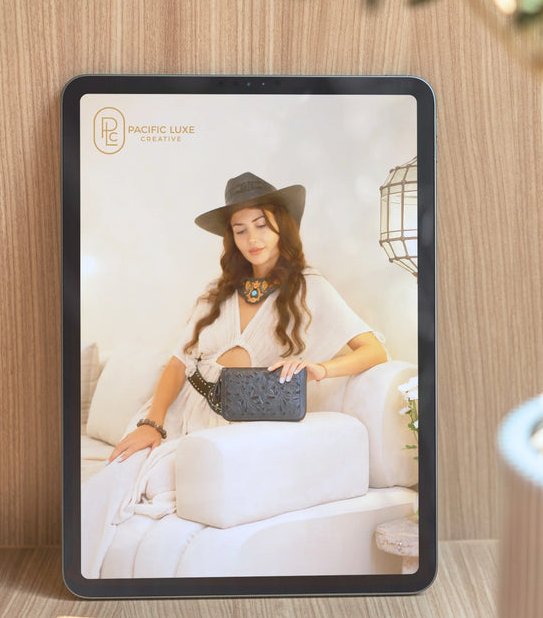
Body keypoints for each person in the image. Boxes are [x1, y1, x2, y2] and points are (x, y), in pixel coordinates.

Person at [81, 171, 387, 578]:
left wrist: (322, 368)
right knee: (114, 478)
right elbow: (178, 363)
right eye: (240, 230)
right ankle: (81, 572)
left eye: (261, 224)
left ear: (282, 226)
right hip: (178, 413)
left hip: (234, 425)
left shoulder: (311, 288)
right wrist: (151, 423)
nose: (252, 238)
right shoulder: (218, 291)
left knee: (154, 487)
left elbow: (374, 351)